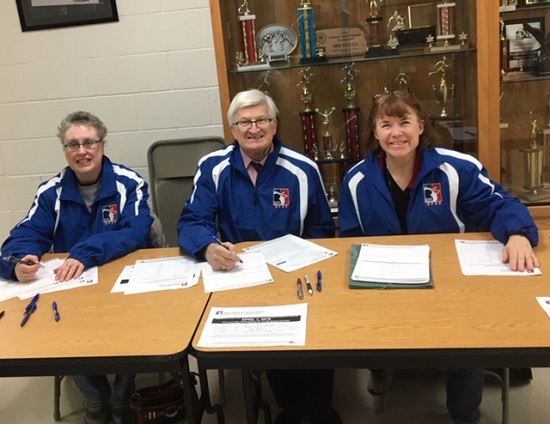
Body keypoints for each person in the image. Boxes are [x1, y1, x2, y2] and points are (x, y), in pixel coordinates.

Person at [338, 90, 539, 424]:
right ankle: (380, 368)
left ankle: (465, 413)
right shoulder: (356, 180)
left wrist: (517, 233)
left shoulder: (456, 168)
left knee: (469, 336)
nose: (396, 133)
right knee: (362, 312)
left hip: (450, 285)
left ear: (420, 126)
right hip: (385, 283)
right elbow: (350, 239)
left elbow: (500, 205)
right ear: (374, 132)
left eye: (404, 122)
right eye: (385, 124)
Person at [178, 89, 339, 423]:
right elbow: (193, 221)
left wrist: (300, 260)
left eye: (261, 120)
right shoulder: (213, 167)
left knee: (315, 344)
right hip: (240, 277)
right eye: (244, 122)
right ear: (233, 129)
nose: (254, 128)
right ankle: (303, 411)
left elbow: (322, 229)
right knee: (278, 351)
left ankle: (307, 411)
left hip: (294, 276)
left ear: (274, 124)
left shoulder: (302, 169)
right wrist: (208, 247)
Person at [0, 111, 154, 424]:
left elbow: (136, 231)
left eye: (88, 142)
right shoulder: (51, 192)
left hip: (120, 280)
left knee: (135, 321)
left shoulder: (129, 183)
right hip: (72, 286)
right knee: (59, 327)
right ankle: (96, 399)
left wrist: (85, 252)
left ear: (102, 145)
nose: (81, 151)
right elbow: (26, 233)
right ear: (65, 150)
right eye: (73, 145)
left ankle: (124, 394)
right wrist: (18, 262)